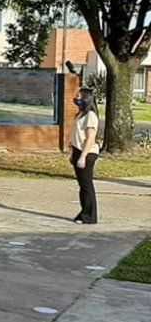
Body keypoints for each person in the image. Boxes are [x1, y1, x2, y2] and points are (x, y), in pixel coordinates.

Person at [69, 88, 101, 224]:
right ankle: (83, 213)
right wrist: (73, 154)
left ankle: (89, 216)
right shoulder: (81, 114)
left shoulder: (91, 116)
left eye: (79, 97)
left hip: (87, 153)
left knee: (86, 185)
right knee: (82, 185)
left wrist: (82, 157)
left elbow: (90, 138)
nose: (77, 99)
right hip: (78, 150)